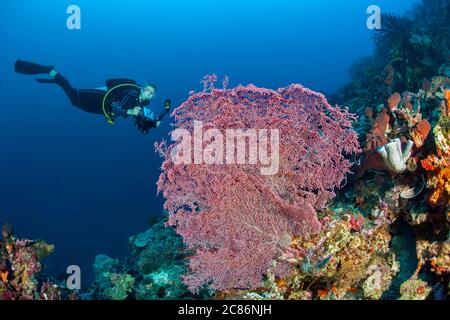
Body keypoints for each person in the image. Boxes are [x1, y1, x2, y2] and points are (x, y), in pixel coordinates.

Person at [14, 60, 171, 133]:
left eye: (152, 93)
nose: (149, 93)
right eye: (148, 90)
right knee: (73, 93)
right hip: (100, 99)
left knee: (73, 101)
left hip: (99, 109)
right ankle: (50, 70)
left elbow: (143, 125)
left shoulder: (142, 106)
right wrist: (129, 112)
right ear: (143, 88)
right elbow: (116, 106)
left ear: (153, 96)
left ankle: (57, 80)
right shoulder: (132, 91)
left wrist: (160, 117)